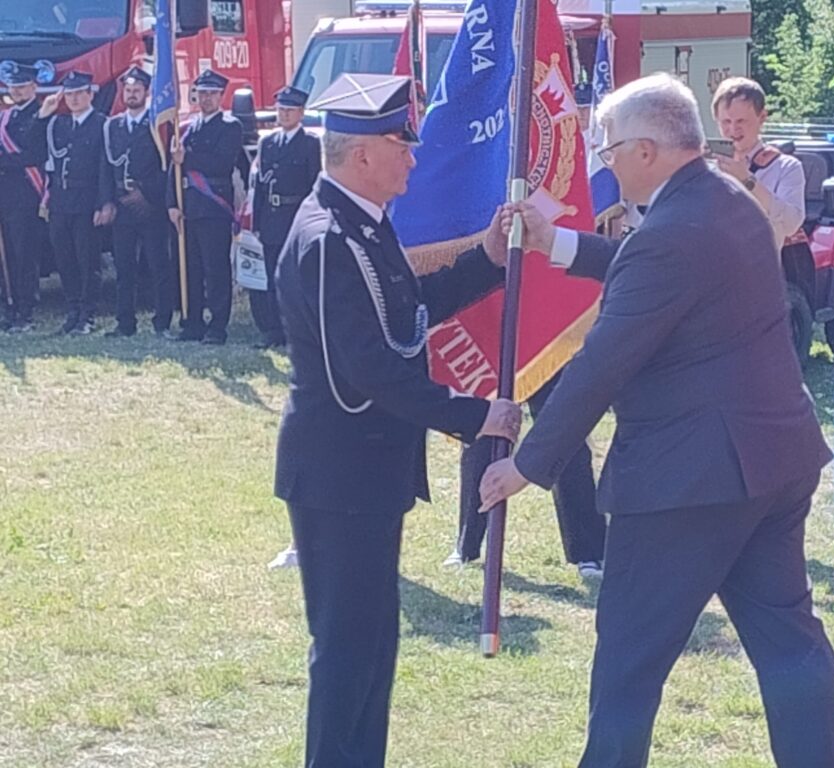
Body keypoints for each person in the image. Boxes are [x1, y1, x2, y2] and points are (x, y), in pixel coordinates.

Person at [479, 73, 834, 768]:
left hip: (688, 480)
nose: (604, 158)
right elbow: (642, 266)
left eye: (609, 146)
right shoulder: (725, 200)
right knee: (790, 645)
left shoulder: (674, 229)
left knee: (627, 662)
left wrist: (527, 465)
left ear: (647, 150)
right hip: (772, 461)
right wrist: (554, 242)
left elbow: (601, 362)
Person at [273, 72, 522, 768]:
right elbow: (369, 371)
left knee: (373, 648)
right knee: (348, 651)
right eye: (400, 145)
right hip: (338, 472)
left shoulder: (362, 225)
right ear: (361, 157)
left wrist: (488, 259)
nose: (413, 157)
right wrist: (478, 416)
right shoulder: (329, 238)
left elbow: (408, 310)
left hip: (367, 471)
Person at [450, 370, 607, 580]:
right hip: (492, 346)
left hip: (548, 344)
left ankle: (590, 551)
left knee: (564, 430)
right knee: (483, 434)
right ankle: (466, 547)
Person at [167, 68, 243, 345]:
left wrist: (187, 157)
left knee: (215, 270)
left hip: (213, 206)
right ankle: (193, 322)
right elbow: (173, 171)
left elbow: (222, 163)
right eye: (202, 93)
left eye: (212, 94)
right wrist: (172, 204)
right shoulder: (187, 128)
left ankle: (217, 325)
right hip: (188, 207)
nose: (206, 98)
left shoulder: (229, 126)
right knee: (191, 269)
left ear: (222, 96)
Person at [37, 71, 115, 336]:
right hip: (61, 200)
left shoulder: (102, 123)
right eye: (68, 94)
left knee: (87, 259)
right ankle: (73, 310)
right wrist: (44, 113)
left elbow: (105, 167)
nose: (73, 99)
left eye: (79, 93)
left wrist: (104, 203)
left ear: (90, 94)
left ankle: (87, 314)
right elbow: (41, 152)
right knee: (65, 258)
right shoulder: (57, 124)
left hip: (86, 200)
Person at [104, 67, 174, 338]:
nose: (131, 95)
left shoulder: (159, 125)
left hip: (150, 206)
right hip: (123, 206)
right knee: (124, 267)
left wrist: (145, 193)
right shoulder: (113, 125)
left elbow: (166, 167)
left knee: (159, 266)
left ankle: (163, 322)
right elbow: (106, 167)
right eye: (127, 91)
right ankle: (125, 323)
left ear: (147, 93)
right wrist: (108, 201)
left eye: (136, 91)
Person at [250, 85, 320, 350]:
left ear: (301, 113)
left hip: (296, 216)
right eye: (281, 109)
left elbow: (315, 186)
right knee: (273, 278)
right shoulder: (267, 142)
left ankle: (301, 333)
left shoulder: (310, 143)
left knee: (300, 279)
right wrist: (257, 222)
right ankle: (274, 331)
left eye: (290, 110)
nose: (284, 115)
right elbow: (260, 185)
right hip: (272, 218)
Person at [711, 76, 805, 249]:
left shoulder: (786, 167)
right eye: (726, 122)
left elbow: (792, 224)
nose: (733, 129)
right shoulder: (705, 166)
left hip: (758, 272)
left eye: (741, 121)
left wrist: (748, 180)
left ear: (762, 117)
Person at [0, 63, 47, 333]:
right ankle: (11, 305)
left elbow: (32, 154)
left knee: (24, 255)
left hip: (26, 196)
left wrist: (5, 161)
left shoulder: (40, 115)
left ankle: (25, 309)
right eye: (13, 87)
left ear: (33, 87)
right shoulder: (6, 117)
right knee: (6, 257)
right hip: (4, 196)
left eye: (22, 86)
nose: (17, 91)